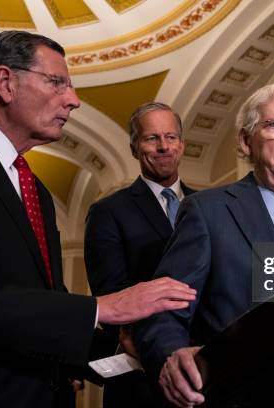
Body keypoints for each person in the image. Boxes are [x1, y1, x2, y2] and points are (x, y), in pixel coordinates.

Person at [0, 30, 196, 407]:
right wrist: (103, 307)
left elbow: (45, 304)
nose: (74, 101)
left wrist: (137, 352)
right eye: (57, 83)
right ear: (5, 82)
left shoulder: (36, 191)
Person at [134, 83, 274, 407]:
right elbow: (165, 311)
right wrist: (172, 357)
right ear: (246, 141)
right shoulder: (208, 211)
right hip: (242, 396)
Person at [84, 102, 196, 407]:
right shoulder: (108, 212)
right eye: (152, 138)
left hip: (207, 368)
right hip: (142, 377)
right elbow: (112, 296)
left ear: (182, 145)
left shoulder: (210, 205)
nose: (163, 147)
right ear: (135, 148)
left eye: (171, 137)